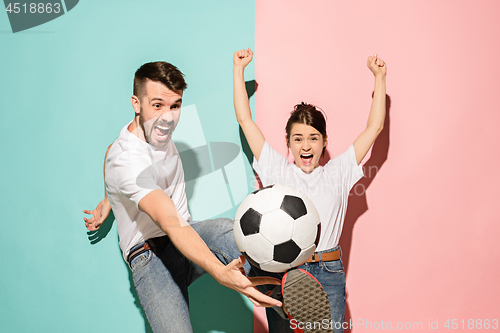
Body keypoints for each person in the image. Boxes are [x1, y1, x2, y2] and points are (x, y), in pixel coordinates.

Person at [83, 61, 282, 333]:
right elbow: (170, 222)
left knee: (228, 229)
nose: (167, 117)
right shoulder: (128, 163)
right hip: (150, 256)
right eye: (157, 105)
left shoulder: (142, 133)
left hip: (186, 239)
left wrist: (109, 199)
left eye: (175, 106)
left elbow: (110, 149)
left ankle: (286, 290)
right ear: (136, 103)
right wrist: (220, 273)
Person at [233, 48, 387, 333]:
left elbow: (374, 127)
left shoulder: (338, 172)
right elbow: (246, 121)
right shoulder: (277, 170)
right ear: (288, 142)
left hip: (326, 272)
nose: (306, 146)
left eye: (314, 138)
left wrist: (380, 77)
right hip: (282, 272)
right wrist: (238, 70)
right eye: (298, 138)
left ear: (324, 141)